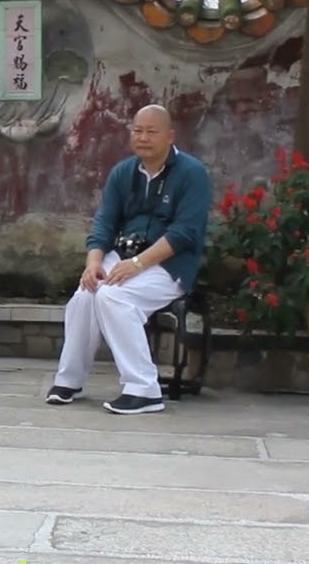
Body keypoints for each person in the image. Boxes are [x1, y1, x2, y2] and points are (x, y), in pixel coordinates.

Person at [46, 104, 211, 415]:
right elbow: (104, 222)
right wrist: (94, 262)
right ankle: (69, 380)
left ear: (170, 135)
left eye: (151, 131)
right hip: (122, 255)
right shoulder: (123, 172)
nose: (143, 137)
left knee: (113, 297)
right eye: (137, 130)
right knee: (85, 295)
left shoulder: (192, 174)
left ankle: (143, 389)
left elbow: (185, 232)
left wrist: (138, 264)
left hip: (169, 263)